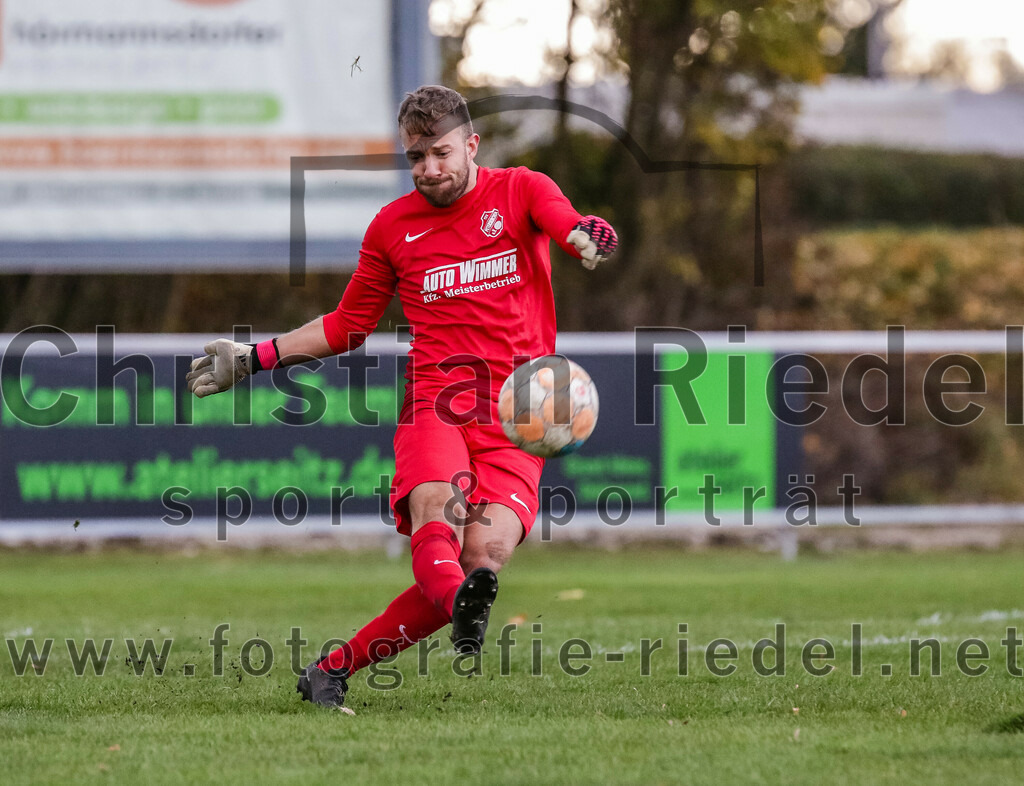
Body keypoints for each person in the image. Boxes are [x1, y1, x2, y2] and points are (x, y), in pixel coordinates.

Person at [185, 85, 617, 709]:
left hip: (520, 415)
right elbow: (344, 325)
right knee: (438, 511)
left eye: (440, 153)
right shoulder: (393, 227)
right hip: (437, 402)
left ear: (472, 145)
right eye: (416, 157)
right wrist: (256, 358)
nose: (429, 170)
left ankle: (330, 670)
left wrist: (583, 233)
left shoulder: (522, 189)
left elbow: (564, 219)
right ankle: (459, 607)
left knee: (484, 554)